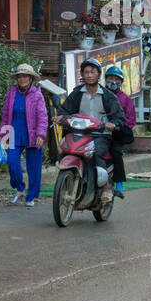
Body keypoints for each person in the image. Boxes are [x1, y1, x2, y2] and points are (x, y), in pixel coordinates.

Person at [57, 57, 126, 198]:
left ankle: (106, 187)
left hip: (101, 135)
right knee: (65, 149)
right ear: (82, 75)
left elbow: (119, 117)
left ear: (99, 74)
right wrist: (61, 117)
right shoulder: (76, 93)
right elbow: (65, 110)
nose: (89, 75)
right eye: (86, 72)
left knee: (97, 152)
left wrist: (113, 124)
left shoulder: (108, 96)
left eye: (92, 72)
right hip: (79, 134)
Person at [0, 63, 48, 208]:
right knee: (12, 161)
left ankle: (31, 196)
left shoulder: (37, 94)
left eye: (25, 76)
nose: (22, 79)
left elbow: (42, 116)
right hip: (14, 133)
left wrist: (41, 134)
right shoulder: (11, 93)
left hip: (32, 134)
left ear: (31, 78)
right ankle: (19, 189)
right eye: (20, 76)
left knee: (34, 168)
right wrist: (2, 132)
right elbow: (6, 114)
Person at [104, 64, 136, 197]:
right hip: (97, 130)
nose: (113, 82)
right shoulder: (100, 94)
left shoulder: (126, 99)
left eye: (116, 79)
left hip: (116, 133)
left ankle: (119, 183)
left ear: (121, 82)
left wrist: (117, 126)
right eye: (110, 78)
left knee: (116, 152)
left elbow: (131, 120)